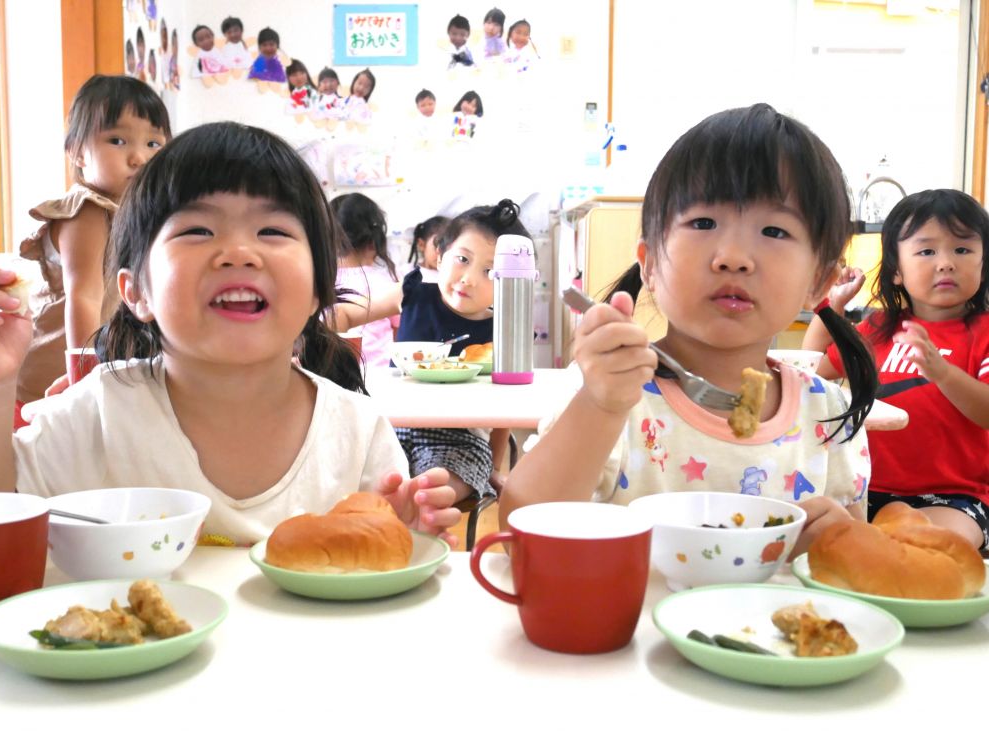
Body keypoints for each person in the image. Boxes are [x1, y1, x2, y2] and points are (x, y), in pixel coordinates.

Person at [0, 122, 460, 548]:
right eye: (197, 229)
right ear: (136, 293)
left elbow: (384, 576)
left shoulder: (357, 432)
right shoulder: (98, 413)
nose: (238, 252)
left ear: (318, 289)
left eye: (272, 230)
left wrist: (405, 541)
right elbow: (1, 519)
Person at [499, 104, 878, 559]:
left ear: (819, 279)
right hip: (632, 628)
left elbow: (859, 562)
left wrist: (839, 539)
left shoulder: (829, 415)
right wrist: (600, 406)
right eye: (703, 223)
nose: (733, 255)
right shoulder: (614, 396)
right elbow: (521, 533)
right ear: (651, 264)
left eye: (774, 230)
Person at [803, 189, 989, 550]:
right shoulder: (877, 328)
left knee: (934, 548)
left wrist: (943, 372)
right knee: (811, 536)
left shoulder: (984, 333)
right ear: (897, 271)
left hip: (953, 498)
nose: (946, 262)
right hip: (863, 489)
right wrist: (830, 307)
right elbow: (811, 370)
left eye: (962, 250)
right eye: (927, 251)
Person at [334, 199, 530, 507]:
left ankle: (418, 520)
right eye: (462, 259)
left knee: (430, 492)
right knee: (345, 481)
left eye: (490, 272)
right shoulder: (412, 293)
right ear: (440, 255)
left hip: (458, 441)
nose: (468, 278)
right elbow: (343, 315)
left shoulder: (503, 330)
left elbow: (503, 411)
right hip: (387, 428)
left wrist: (492, 466)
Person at [12, 74, 170, 426]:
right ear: (77, 153)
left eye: (154, 145)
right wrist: (83, 379)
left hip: (103, 368)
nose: (139, 158)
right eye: (117, 140)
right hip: (53, 381)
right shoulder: (87, 210)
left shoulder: (141, 214)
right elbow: (83, 296)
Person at [332, 193, 400, 369]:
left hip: (331, 377)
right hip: (381, 374)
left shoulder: (319, 280)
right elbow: (399, 330)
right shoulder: (386, 282)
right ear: (374, 240)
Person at [405, 215, 449, 282]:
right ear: (421, 244)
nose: (443, 254)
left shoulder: (451, 276)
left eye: (449, 248)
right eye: (438, 245)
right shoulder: (406, 273)